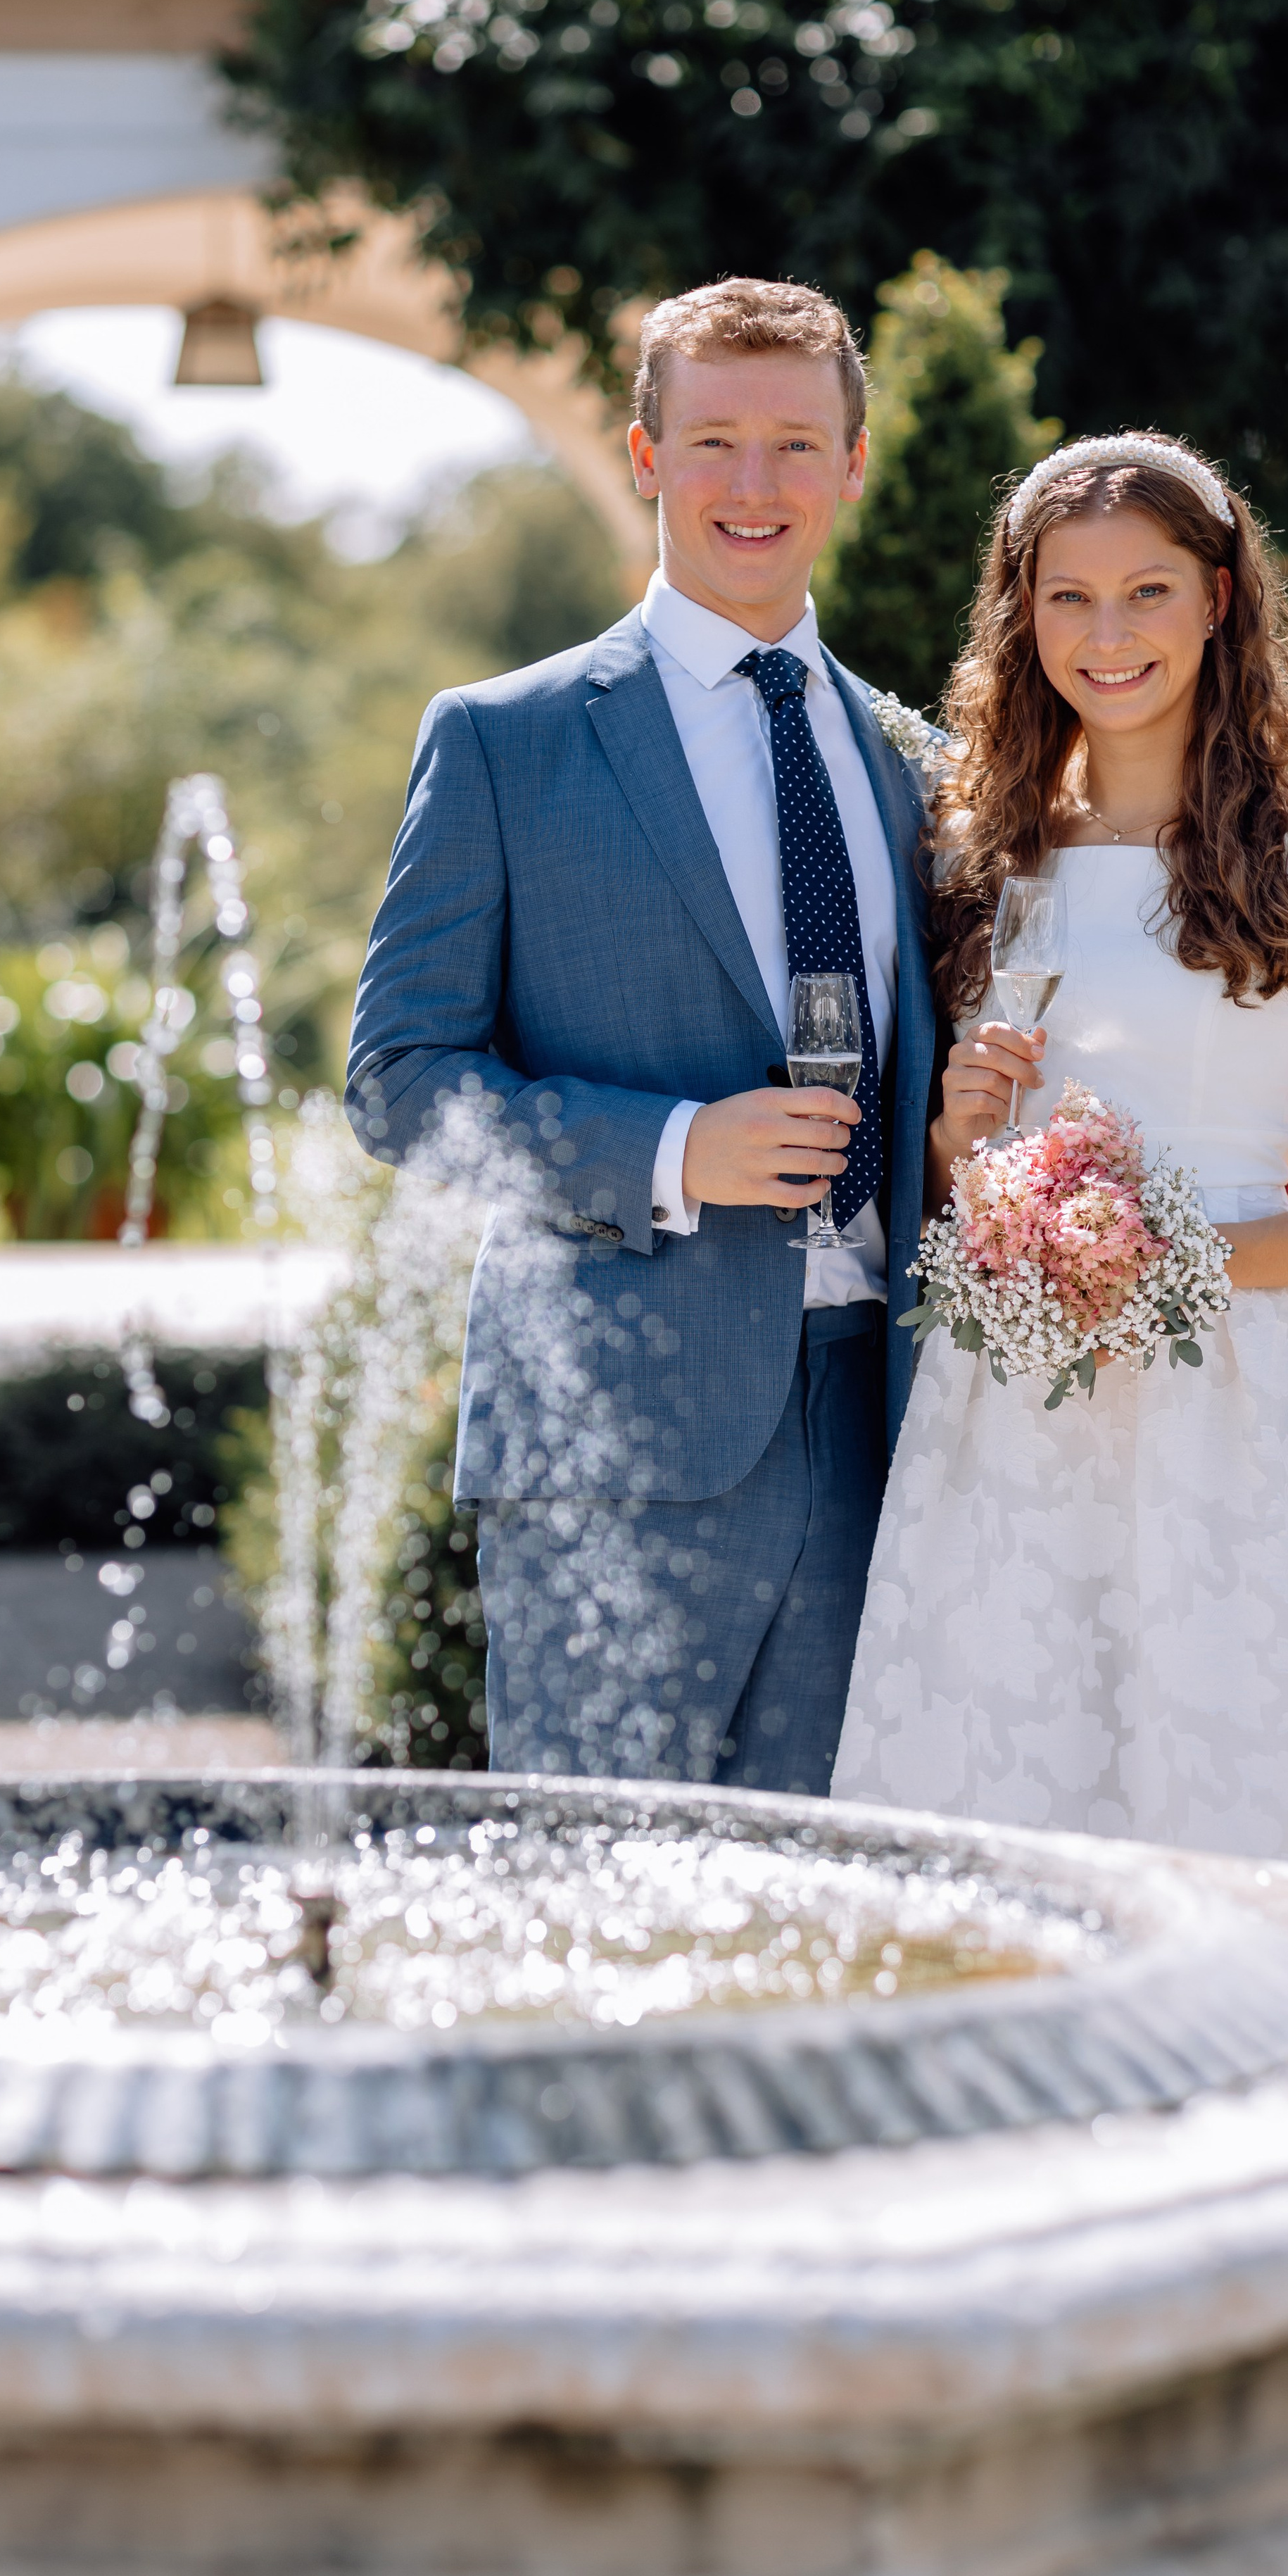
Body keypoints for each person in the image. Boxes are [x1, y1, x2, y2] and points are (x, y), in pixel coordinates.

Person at [831, 432, 1288, 1885]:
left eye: (1145, 593)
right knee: (1005, 1807)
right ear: (1020, 613)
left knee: (1235, 1799)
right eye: (1065, 600)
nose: (1104, 637)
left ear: (1219, 600)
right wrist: (956, 1144)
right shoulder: (980, 858)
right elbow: (939, 1182)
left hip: (1231, 1406)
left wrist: (1175, 1265)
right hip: (1006, 1406)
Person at [346, 279, 937, 1790]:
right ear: (642, 454)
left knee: (829, 1923)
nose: (756, 486)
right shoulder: (504, 740)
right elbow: (400, 1082)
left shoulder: (908, 761)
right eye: (716, 441)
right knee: (592, 1898)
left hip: (882, 1425)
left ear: (852, 466)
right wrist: (675, 1149)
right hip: (613, 1443)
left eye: (796, 446)